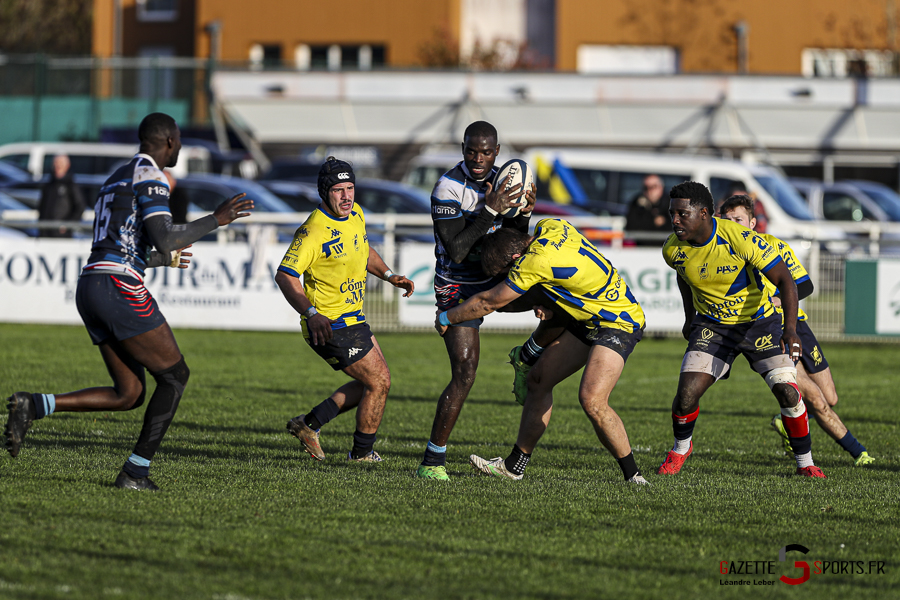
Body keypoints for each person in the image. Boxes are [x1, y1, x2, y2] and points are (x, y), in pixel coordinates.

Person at [4, 112, 254, 491]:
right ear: (169, 141)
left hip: (91, 285)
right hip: (118, 288)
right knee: (174, 376)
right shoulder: (150, 175)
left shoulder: (113, 177)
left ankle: (35, 405)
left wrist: (157, 260)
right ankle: (135, 473)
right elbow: (166, 237)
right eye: (180, 139)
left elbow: (122, 244)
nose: (181, 146)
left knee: (130, 393)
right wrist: (216, 220)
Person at [436, 219, 649, 484]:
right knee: (538, 380)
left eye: (506, 271)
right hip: (588, 318)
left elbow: (488, 302)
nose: (508, 276)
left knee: (592, 399)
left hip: (618, 322)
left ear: (516, 258)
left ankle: (634, 476)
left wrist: (447, 317)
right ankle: (514, 466)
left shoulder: (533, 263)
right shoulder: (551, 225)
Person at [415, 121, 564, 481]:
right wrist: (490, 211)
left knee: (563, 305)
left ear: (497, 151)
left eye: (485, 152)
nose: (478, 158)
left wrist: (524, 212)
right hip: (458, 287)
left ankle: (526, 355)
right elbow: (457, 249)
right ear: (463, 148)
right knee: (465, 373)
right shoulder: (448, 187)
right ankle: (432, 462)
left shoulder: (506, 180)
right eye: (471, 150)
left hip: (497, 278)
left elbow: (511, 241)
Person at [658, 181, 825, 478]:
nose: (675, 220)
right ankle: (681, 449)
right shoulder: (673, 249)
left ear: (705, 214)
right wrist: (689, 318)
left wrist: (790, 330)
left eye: (682, 214)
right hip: (713, 325)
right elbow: (684, 278)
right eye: (672, 213)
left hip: (760, 322)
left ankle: (805, 464)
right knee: (686, 395)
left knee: (787, 392)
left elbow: (787, 281)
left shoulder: (741, 238)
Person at [275, 157, 414, 463]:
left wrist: (390, 276)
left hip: (354, 318)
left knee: (371, 382)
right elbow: (285, 275)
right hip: (329, 325)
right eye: (339, 190)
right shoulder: (313, 230)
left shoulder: (356, 214)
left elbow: (363, 249)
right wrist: (311, 314)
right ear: (325, 193)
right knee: (379, 382)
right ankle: (362, 454)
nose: (347, 196)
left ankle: (308, 425)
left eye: (350, 188)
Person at [719, 194, 874, 466]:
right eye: (727, 220)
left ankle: (785, 419)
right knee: (815, 398)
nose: (733, 225)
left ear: (753, 223)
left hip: (797, 324)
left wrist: (781, 298)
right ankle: (859, 453)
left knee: (830, 398)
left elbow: (805, 285)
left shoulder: (774, 246)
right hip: (769, 330)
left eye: (738, 220)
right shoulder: (719, 253)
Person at [38, 154, 86, 238]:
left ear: (67, 166)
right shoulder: (48, 185)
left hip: (62, 236)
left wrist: (67, 225)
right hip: (45, 233)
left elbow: (80, 207)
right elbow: (42, 207)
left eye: (61, 163)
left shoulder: (71, 186)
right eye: (56, 163)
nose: (58, 166)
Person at [624, 174, 670, 245]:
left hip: (666, 248)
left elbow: (675, 227)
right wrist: (653, 220)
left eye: (653, 187)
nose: (649, 190)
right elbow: (630, 227)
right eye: (646, 188)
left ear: (661, 187)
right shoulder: (636, 203)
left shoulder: (671, 203)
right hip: (642, 249)